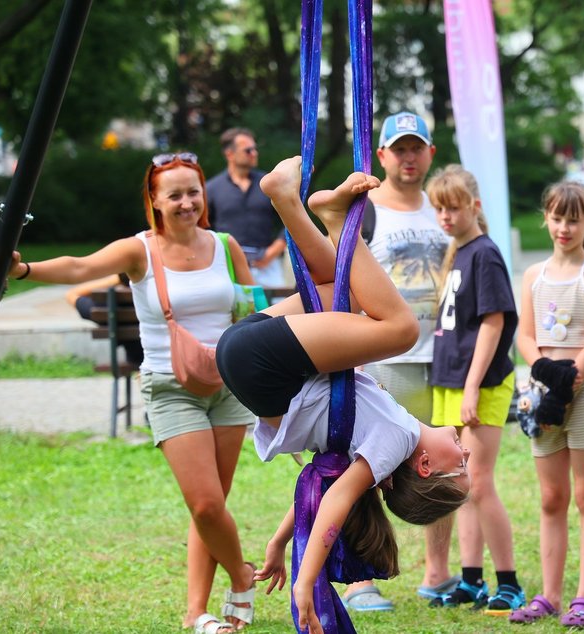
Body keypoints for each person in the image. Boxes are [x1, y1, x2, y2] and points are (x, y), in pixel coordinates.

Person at [0, 152, 259, 634]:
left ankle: (196, 612)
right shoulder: (140, 250)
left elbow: (250, 311)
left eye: (193, 192)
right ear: (154, 200)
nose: (186, 202)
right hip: (171, 387)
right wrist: (22, 270)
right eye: (174, 194)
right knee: (205, 504)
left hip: (228, 384)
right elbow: (79, 267)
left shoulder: (226, 245)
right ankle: (241, 575)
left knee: (213, 505)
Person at [214, 156, 471, 634]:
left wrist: (304, 580)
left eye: (461, 466)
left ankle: (333, 217)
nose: (466, 453)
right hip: (248, 359)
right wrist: (277, 542)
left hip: (263, 365)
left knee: (401, 330)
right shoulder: (379, 445)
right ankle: (288, 199)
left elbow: (333, 504)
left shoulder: (394, 441)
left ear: (425, 466)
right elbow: (318, 492)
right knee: (344, 292)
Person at [351, 111, 456, 610]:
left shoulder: (445, 208)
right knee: (364, 465)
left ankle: (438, 571)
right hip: (382, 358)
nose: (408, 157)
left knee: (444, 465)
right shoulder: (364, 211)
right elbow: (344, 281)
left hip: (443, 358)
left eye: (417, 148)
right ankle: (359, 576)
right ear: (382, 156)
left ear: (430, 153)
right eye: (399, 149)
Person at [511, 180, 584, 628]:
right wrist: (544, 372)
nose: (564, 227)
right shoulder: (533, 276)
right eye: (557, 218)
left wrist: (568, 384)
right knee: (551, 497)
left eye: (573, 220)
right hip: (541, 395)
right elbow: (524, 335)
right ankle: (550, 595)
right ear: (546, 219)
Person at [420, 165, 524, 614]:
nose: (445, 216)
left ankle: (509, 583)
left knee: (479, 483)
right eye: (439, 209)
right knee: (458, 483)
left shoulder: (485, 254)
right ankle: (471, 580)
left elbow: (493, 323)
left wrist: (472, 388)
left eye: (453, 208)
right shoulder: (457, 252)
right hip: (449, 381)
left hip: (480, 385)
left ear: (475, 206)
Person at [206, 127, 287, 288]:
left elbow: (291, 219)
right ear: (230, 154)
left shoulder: (268, 184)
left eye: (255, 149)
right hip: (227, 265)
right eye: (248, 150)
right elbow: (201, 227)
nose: (254, 153)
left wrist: (273, 252)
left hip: (267, 264)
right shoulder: (211, 188)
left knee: (281, 303)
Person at [65, 273, 144, 366]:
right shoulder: (154, 300)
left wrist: (119, 278)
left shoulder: (110, 308)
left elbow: (72, 294)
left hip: (138, 362)